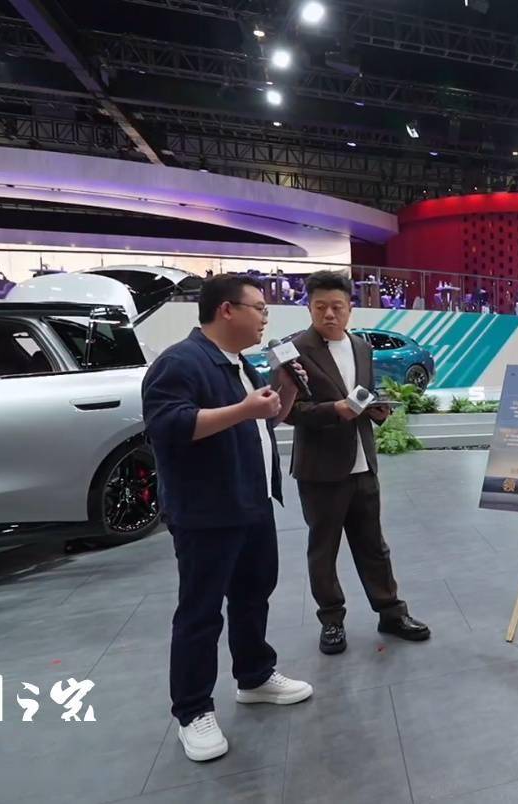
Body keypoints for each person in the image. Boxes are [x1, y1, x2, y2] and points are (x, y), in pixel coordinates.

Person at [142, 274, 314, 763]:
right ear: (226, 309)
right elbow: (168, 426)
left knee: (252, 594)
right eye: (259, 308)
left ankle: (254, 676)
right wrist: (242, 409)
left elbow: (263, 419)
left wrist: (286, 390)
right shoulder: (180, 362)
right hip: (207, 511)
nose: (265, 318)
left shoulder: (239, 362)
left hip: (251, 500)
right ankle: (193, 710)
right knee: (200, 612)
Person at [284, 270, 430, 654]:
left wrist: (374, 410)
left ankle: (391, 612)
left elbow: (361, 395)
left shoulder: (362, 347)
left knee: (374, 546)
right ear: (309, 308)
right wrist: (334, 410)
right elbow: (288, 411)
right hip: (320, 469)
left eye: (337, 306)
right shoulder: (294, 350)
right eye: (320, 307)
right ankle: (331, 621)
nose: (329, 314)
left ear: (350, 308)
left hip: (363, 463)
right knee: (324, 550)